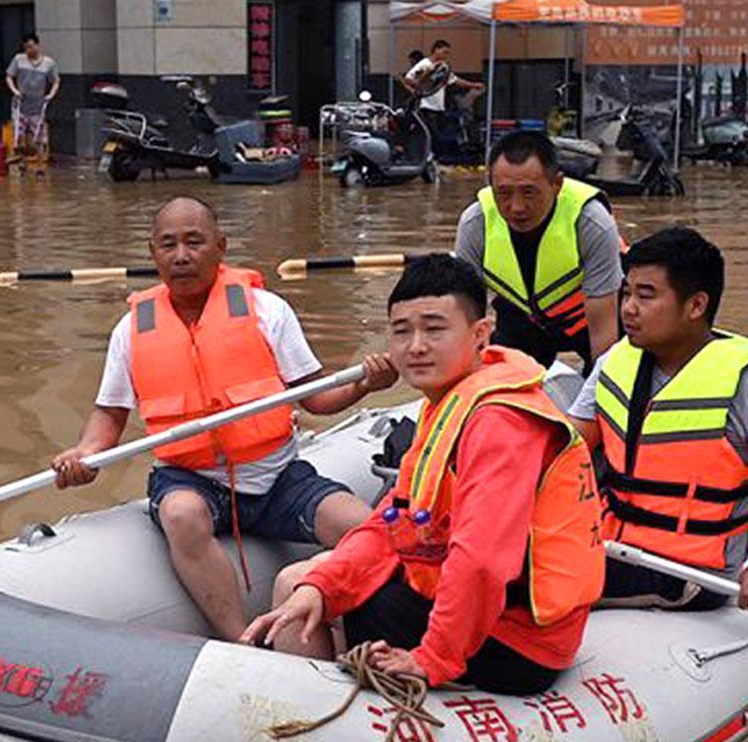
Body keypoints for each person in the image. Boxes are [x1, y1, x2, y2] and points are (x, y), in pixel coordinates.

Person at [242, 254, 603, 695]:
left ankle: (315, 722)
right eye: (401, 331)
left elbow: (482, 561)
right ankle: (324, 689)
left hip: (518, 638)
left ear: (480, 334)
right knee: (308, 584)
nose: (415, 345)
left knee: (297, 583)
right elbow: (392, 521)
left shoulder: (498, 422)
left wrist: (431, 658)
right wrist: (324, 586)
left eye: (434, 329)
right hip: (492, 611)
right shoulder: (450, 402)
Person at [50, 196, 397, 638]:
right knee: (180, 515)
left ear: (221, 246)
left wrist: (365, 384)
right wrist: (86, 453)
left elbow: (316, 397)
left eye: (194, 242)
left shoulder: (267, 310)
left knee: (363, 527)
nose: (181, 256)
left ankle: (354, 619)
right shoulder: (130, 330)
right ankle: (241, 639)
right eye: (168, 245)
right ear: (152, 252)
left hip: (279, 477)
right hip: (190, 478)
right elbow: (109, 412)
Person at [567, 227, 748, 614]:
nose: (628, 309)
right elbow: (566, 447)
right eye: (626, 293)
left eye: (646, 295)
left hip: (689, 572)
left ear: (696, 305)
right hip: (612, 546)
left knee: (535, 582)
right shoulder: (615, 362)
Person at [454, 129, 623, 373]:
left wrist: (599, 399)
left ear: (556, 184)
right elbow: (465, 321)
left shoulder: (592, 222)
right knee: (499, 378)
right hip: (522, 317)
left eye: (529, 192)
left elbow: (604, 334)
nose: (516, 207)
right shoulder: (475, 223)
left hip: (586, 317)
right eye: (503, 193)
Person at [5, 33, 59, 159]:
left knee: (39, 137)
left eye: (31, 47)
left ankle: (40, 163)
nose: (28, 50)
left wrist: (50, 95)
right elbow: (9, 76)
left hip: (38, 105)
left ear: (37, 45)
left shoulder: (48, 63)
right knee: (19, 134)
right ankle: (20, 161)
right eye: (26, 48)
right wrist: (15, 91)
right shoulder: (18, 59)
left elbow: (56, 81)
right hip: (20, 104)